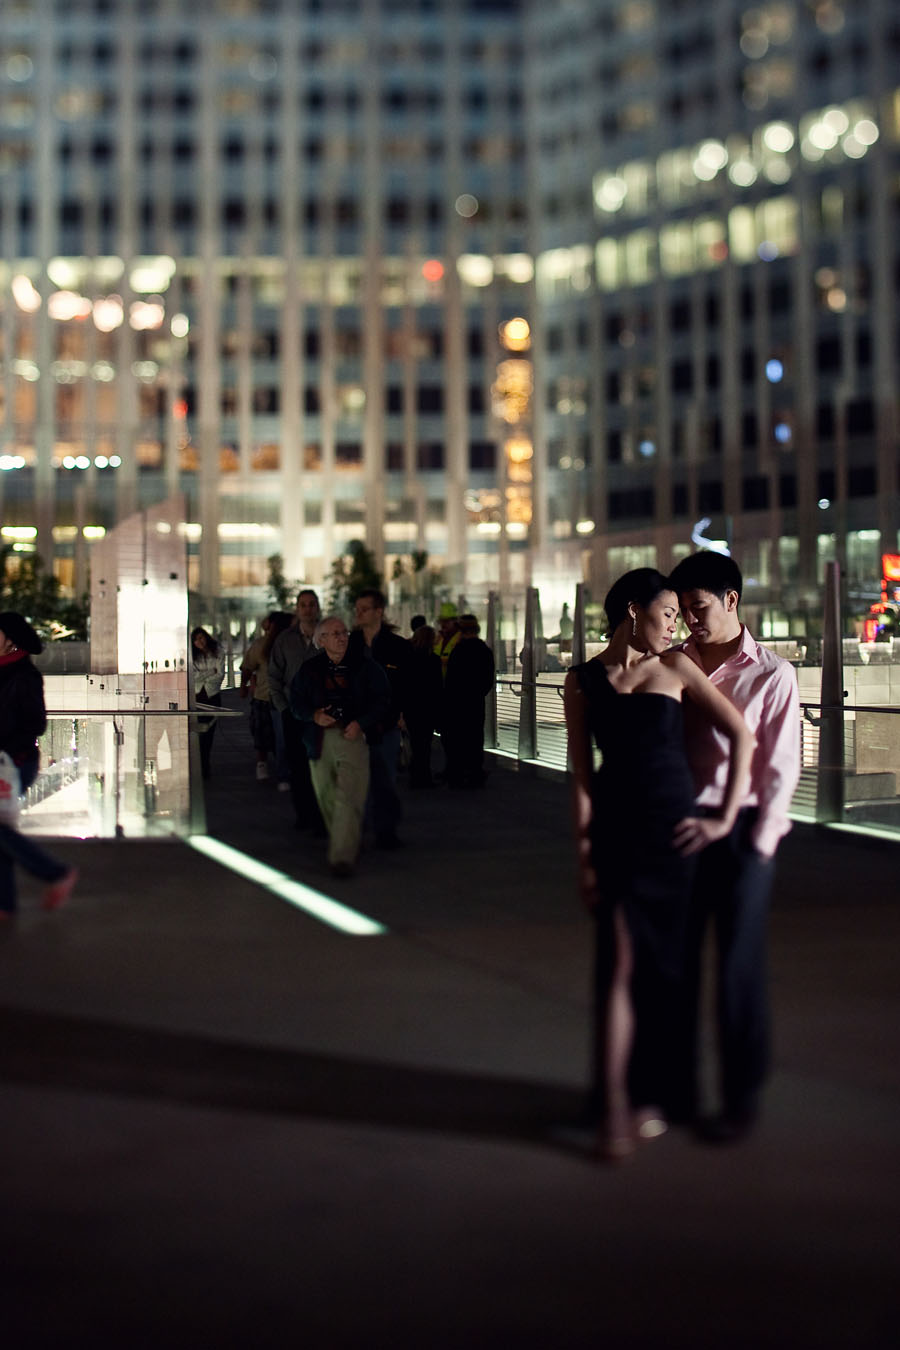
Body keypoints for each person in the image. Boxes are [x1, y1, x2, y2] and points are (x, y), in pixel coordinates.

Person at [564, 569, 753, 1159]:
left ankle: (661, 1096)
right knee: (619, 963)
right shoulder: (583, 680)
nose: (676, 625)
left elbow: (740, 735)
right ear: (630, 609)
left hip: (673, 837)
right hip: (619, 834)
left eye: (678, 615)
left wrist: (723, 818)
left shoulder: (676, 668)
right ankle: (614, 1105)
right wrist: (586, 852)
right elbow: (582, 776)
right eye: (667, 613)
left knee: (666, 972)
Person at [668, 550, 801, 1142]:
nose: (692, 621)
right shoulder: (673, 663)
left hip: (743, 830)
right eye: (684, 612)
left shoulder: (772, 673)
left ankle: (741, 1098)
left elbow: (781, 767)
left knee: (738, 969)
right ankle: (679, 1094)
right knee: (678, 963)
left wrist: (762, 844)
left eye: (699, 609)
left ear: (731, 600)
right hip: (683, 826)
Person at [289, 615, 390, 878]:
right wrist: (314, 715)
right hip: (319, 740)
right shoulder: (310, 669)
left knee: (349, 797)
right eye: (334, 633)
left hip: (352, 736)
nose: (342, 637)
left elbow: (382, 700)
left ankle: (341, 857)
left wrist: (362, 723)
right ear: (321, 640)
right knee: (326, 796)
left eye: (344, 632)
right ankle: (349, 838)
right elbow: (296, 703)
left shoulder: (365, 667)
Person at [0, 612, 78, 916]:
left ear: (10, 640)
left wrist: (6, 746)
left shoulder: (24, 675)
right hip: (6, 760)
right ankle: (5, 904)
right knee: (1, 828)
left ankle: (54, 872)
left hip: (15, 762)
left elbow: (37, 723)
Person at [348, 588, 412, 849]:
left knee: (385, 779)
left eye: (364, 608)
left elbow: (408, 684)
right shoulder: (350, 643)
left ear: (379, 611)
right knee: (355, 780)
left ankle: (385, 831)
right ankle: (356, 829)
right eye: (357, 609)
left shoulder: (397, 646)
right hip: (356, 724)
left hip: (386, 724)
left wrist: (403, 715)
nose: (359, 613)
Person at [268, 589, 324, 829]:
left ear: (318, 607)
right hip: (292, 712)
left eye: (312, 604)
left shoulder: (328, 634)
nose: (308, 609)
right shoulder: (285, 639)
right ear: (297, 609)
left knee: (321, 764)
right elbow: (274, 676)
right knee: (298, 765)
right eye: (303, 605)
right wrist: (282, 708)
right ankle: (303, 814)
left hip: (322, 712)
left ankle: (322, 814)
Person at [442, 613, 495, 788]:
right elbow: (488, 679)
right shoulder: (484, 650)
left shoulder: (459, 650)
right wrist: (477, 693)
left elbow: (451, 679)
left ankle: (456, 774)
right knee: (475, 736)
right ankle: (475, 773)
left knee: (456, 737)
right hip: (475, 702)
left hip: (456, 702)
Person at [239, 611, 291, 781]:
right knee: (271, 734)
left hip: (270, 697)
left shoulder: (269, 644)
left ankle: (267, 765)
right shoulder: (263, 645)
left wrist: (244, 686)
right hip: (270, 697)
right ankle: (267, 764)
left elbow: (247, 668)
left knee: (266, 734)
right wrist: (245, 685)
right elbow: (248, 668)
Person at [404, 623, 443, 788]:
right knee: (425, 745)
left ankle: (415, 776)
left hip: (412, 708)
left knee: (415, 743)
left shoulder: (409, 658)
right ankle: (423, 777)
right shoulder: (433, 660)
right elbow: (437, 688)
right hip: (427, 708)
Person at [191, 626, 226, 780]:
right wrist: (209, 672)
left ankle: (205, 764)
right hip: (197, 697)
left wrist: (206, 676)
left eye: (202, 637)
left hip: (212, 695)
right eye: (196, 640)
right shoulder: (192, 656)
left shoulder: (218, 651)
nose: (200, 642)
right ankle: (200, 765)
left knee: (208, 733)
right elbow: (193, 677)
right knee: (198, 732)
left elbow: (220, 675)